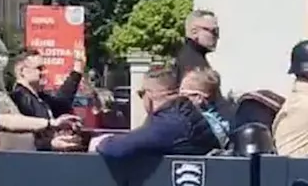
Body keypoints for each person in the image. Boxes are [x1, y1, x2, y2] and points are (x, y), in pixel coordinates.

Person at [87, 67, 220, 159]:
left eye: (141, 94)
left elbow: (119, 148)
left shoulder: (171, 121)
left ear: (149, 95)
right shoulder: (181, 113)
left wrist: (97, 143)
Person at [8, 50, 85, 151]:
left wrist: (77, 71)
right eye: (39, 68)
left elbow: (62, 103)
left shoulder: (40, 98)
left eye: (44, 68)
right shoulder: (18, 98)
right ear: (22, 71)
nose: (44, 72)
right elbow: (23, 136)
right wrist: (50, 143)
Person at [179, 66, 231, 148]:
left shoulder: (209, 121)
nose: (179, 100)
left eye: (183, 96)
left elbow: (220, 142)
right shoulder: (221, 116)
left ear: (199, 98)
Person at [174, 9, 219, 82]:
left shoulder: (189, 55)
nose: (217, 36)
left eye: (217, 31)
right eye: (213, 31)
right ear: (194, 32)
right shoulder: (193, 63)